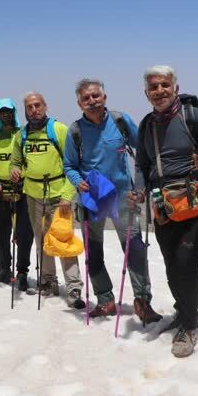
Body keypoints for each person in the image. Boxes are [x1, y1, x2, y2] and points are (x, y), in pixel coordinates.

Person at [132, 65, 198, 358]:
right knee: (172, 263)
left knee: (186, 261)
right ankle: (184, 309)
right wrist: (138, 189)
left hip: (194, 201)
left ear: (174, 86)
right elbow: (142, 164)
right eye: (153, 87)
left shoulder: (193, 116)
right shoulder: (147, 124)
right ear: (146, 92)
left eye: (164, 85)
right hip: (163, 204)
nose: (159, 91)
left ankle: (189, 321)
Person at [64, 78, 162, 321]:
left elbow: (144, 152)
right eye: (86, 98)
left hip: (123, 197)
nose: (92, 101)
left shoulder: (120, 121)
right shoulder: (75, 130)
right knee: (94, 252)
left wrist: (140, 186)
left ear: (104, 97)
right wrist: (78, 182)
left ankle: (143, 302)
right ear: (79, 103)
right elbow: (69, 165)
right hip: (93, 197)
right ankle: (105, 300)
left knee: (135, 249)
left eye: (96, 96)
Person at [10, 92, 85, 309]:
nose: (34, 110)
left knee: (63, 238)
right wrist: (15, 170)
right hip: (33, 195)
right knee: (41, 238)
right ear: (25, 111)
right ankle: (47, 281)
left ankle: (73, 287)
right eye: (30, 107)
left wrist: (66, 195)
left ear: (45, 105)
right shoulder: (21, 135)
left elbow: (73, 164)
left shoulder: (58, 130)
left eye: (38, 105)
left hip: (58, 195)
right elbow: (16, 161)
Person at [0, 99, 34, 288]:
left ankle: (22, 271)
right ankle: (4, 268)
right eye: (2, 111)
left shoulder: (22, 134)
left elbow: (29, 161)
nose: (6, 115)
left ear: (14, 112)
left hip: (21, 191)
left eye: (9, 111)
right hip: (0, 192)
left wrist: (22, 175)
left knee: (24, 234)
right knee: (0, 234)